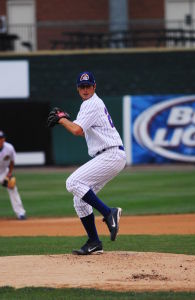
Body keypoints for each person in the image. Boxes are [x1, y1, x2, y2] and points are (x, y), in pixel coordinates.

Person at [47, 71, 126, 255]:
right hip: (110, 155)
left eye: (88, 86)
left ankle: (109, 213)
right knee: (79, 200)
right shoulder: (89, 104)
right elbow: (81, 130)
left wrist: (61, 119)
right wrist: (65, 120)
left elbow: (76, 130)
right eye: (82, 87)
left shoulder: (92, 103)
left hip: (110, 154)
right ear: (78, 88)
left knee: (72, 182)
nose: (85, 89)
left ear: (94, 86)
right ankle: (94, 242)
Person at [0, 130, 26, 220]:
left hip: (4, 171)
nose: (0, 140)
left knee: (12, 187)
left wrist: (9, 174)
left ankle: (20, 213)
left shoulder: (9, 148)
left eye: (1, 138)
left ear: (4, 139)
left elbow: (12, 161)